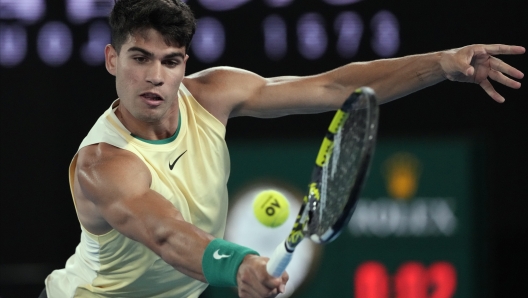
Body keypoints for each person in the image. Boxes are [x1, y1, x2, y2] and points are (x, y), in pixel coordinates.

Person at [42, 0, 524, 297]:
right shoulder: (103, 163)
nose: (154, 76)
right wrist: (242, 265)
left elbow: (333, 88)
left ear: (184, 63)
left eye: (170, 61)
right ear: (112, 59)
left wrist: (440, 63)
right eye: (139, 58)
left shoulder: (212, 94)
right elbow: (166, 234)